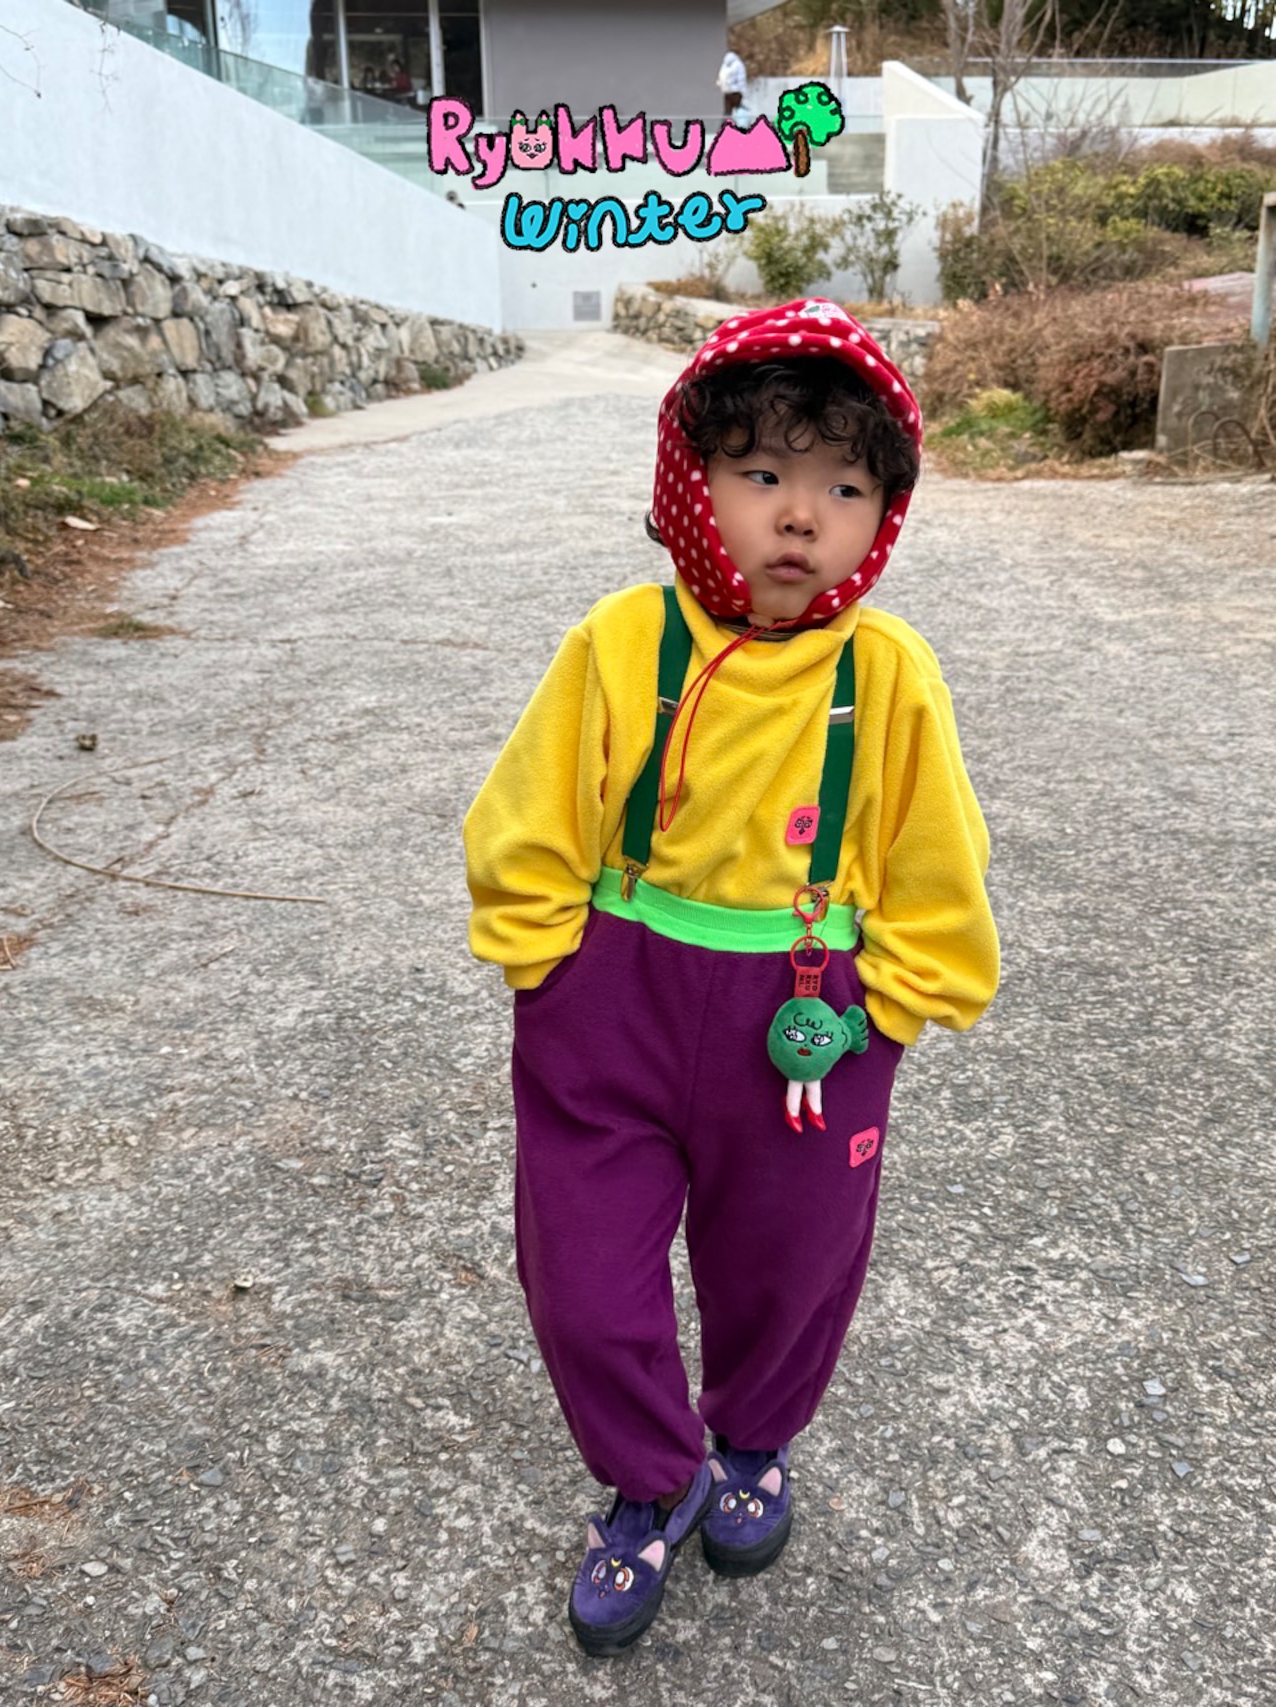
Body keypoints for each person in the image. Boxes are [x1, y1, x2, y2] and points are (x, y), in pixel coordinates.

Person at [463, 300, 999, 1657]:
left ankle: (752, 1435)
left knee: (790, 1262)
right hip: (613, 1003)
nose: (801, 515)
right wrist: (544, 960)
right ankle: (654, 1474)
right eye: (762, 473)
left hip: (807, 1018)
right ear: (689, 481)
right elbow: (528, 816)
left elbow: (937, 859)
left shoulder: (886, 673)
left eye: (845, 487)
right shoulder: (619, 641)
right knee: (581, 1277)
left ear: (885, 513)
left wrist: (895, 1004)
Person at [717, 48, 747, 115]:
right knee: (739, 111)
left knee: (727, 112)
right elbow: (741, 79)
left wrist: (722, 86)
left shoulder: (724, 65)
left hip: (726, 91)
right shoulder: (739, 64)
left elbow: (721, 77)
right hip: (736, 92)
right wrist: (742, 90)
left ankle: (725, 121)